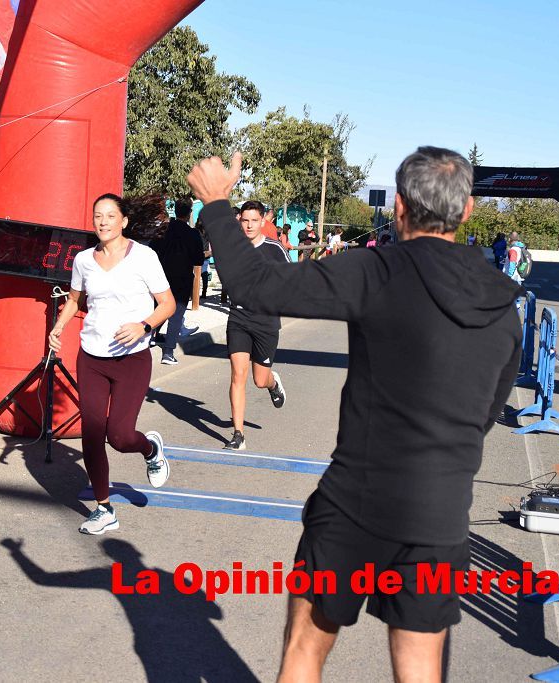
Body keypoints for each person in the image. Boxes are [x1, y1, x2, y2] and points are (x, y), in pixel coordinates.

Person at [187, 147, 522, 683]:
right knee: (419, 669)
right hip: (439, 513)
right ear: (468, 212)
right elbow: (484, 414)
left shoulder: (378, 270)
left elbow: (256, 286)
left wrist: (217, 203)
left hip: (355, 501)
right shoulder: (504, 307)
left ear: (399, 209)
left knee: (304, 650)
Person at [48, 193, 176, 535]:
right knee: (91, 435)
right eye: (97, 216)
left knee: (118, 436)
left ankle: (150, 448)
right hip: (91, 358)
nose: (103, 221)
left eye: (109, 216)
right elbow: (74, 301)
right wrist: (58, 327)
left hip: (132, 359)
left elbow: (168, 304)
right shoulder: (83, 260)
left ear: (124, 222)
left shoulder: (144, 257)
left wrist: (143, 326)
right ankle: (104, 509)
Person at [221, 200, 289, 451]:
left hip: (266, 322)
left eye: (253, 221)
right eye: (244, 220)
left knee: (259, 380)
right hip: (238, 318)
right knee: (238, 375)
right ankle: (238, 434)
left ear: (263, 222)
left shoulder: (274, 249)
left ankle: (273, 383)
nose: (248, 225)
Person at [151, 198, 205, 365]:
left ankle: (149, 338)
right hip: (182, 278)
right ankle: (168, 352)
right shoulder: (193, 234)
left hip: (161, 276)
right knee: (176, 314)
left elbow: (152, 250)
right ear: (189, 213)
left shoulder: (163, 231)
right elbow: (198, 259)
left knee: (158, 308)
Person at [196, 217, 212, 299]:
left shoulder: (195, 231)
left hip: (198, 254)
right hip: (206, 254)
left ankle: (194, 294)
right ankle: (204, 292)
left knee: (196, 275)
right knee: (204, 274)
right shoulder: (208, 232)